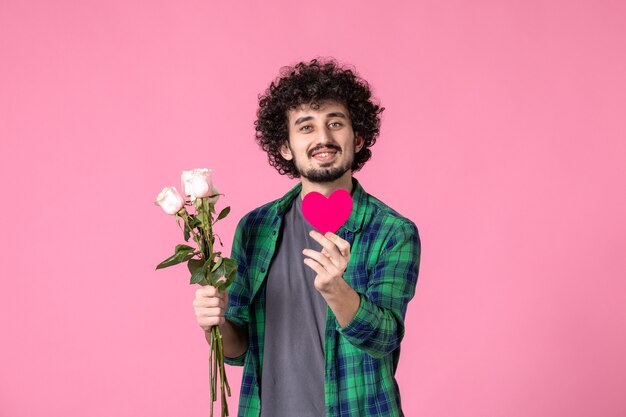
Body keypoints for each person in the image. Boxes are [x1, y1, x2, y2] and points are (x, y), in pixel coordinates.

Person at [193, 58, 421, 417]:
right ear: (285, 147)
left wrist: (337, 291)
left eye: (335, 123)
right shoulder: (254, 228)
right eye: (306, 127)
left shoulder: (393, 232)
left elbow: (384, 339)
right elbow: (238, 351)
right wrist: (216, 324)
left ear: (357, 137)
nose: (323, 138)